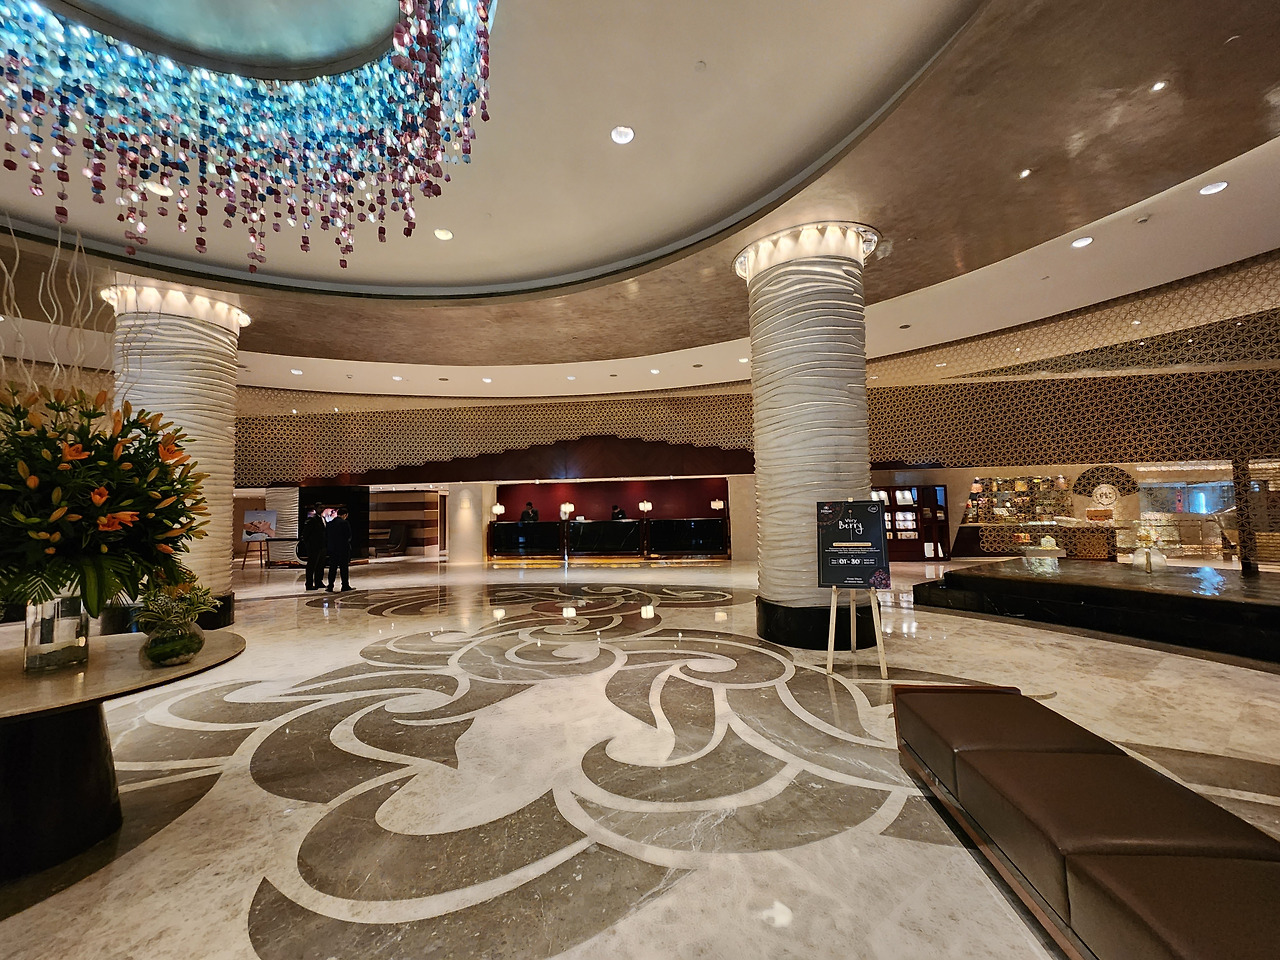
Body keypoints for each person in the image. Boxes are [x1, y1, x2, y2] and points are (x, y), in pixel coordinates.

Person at [325, 505, 354, 592]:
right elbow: (348, 536)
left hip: (333, 549)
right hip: (343, 549)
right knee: (343, 567)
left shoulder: (330, 523)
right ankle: (345, 585)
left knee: (332, 568)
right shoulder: (345, 523)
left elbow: (327, 536)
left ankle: (330, 585)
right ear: (345, 515)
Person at [301, 502, 327, 591]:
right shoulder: (311, 520)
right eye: (320, 507)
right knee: (312, 565)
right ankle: (309, 584)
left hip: (322, 546)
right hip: (314, 547)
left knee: (320, 565)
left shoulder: (323, 519)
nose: (322, 509)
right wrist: (309, 545)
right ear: (315, 509)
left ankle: (319, 582)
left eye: (323, 507)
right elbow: (305, 534)